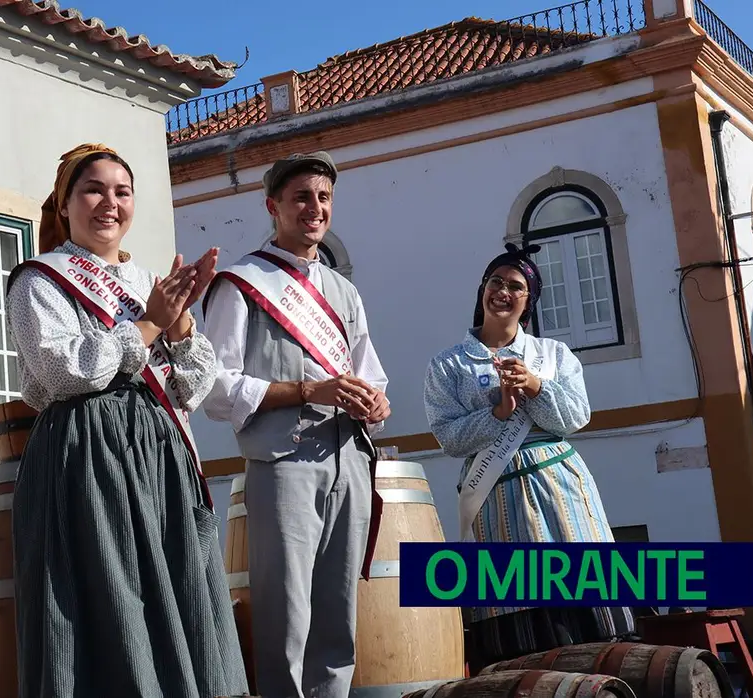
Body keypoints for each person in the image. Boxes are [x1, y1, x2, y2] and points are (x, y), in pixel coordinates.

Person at [4, 143, 249, 698]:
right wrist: (148, 327)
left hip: (159, 452)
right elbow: (62, 371)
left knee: (177, 585)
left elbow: (188, 386)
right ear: (64, 205)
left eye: (122, 192)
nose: (108, 204)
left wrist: (182, 326)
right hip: (88, 453)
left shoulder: (146, 283)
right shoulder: (39, 280)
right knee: (110, 594)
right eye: (93, 190)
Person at [201, 151, 390, 698]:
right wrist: (308, 391)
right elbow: (214, 387)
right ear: (273, 206)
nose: (315, 208)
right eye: (302, 197)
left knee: (338, 617)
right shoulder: (242, 283)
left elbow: (370, 375)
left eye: (324, 198)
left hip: (350, 459)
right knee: (287, 618)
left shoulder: (343, 290)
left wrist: (375, 404)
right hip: (283, 462)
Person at [422, 242, 635, 666]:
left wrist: (536, 387)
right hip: (495, 493)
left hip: (559, 488)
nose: (503, 291)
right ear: (482, 289)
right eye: (496, 282)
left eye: (516, 287)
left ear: (528, 301)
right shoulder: (448, 365)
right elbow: (449, 437)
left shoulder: (553, 355)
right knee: (518, 614)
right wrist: (499, 412)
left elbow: (576, 415)